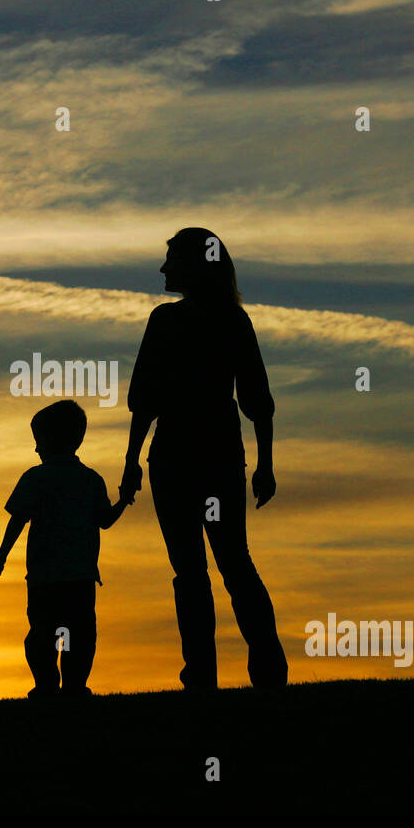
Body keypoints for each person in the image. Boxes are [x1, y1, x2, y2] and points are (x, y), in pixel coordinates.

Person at [118, 227, 287, 691]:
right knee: (230, 562)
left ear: (196, 264)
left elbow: (144, 400)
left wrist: (132, 461)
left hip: (180, 457)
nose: (163, 268)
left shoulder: (172, 321)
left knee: (198, 569)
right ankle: (260, 672)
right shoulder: (230, 320)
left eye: (172, 258)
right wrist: (265, 463)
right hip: (210, 455)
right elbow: (258, 401)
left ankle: (205, 676)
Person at [0, 400, 131, 698]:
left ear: (53, 439)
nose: (36, 449)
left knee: (43, 633)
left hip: (43, 577)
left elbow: (17, 521)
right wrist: (123, 501)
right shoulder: (91, 479)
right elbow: (105, 521)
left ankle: (46, 686)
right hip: (80, 576)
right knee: (80, 635)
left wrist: (0, 557)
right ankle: (75, 686)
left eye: (39, 441)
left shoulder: (35, 478)